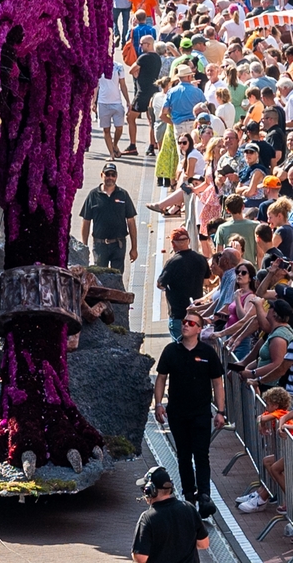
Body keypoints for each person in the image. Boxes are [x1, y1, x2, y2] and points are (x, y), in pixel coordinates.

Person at [154, 310, 225, 517]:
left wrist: (220, 411)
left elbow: (217, 382)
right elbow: (161, 378)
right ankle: (188, 494)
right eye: (185, 322)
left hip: (201, 412)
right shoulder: (171, 351)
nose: (185, 325)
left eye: (191, 323)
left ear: (199, 329)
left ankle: (204, 495)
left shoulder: (207, 352)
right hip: (177, 412)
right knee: (184, 455)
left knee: (201, 454)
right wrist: (158, 404)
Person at [131, 466, 209, 563]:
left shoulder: (147, 518)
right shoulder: (189, 509)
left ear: (150, 490)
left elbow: (140, 557)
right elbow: (204, 544)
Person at [79, 162, 137, 272]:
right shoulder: (93, 195)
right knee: (100, 277)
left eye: (113, 175)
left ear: (116, 176)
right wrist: (84, 247)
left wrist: (134, 248)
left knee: (117, 277)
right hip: (100, 245)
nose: (110, 177)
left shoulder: (123, 195)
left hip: (118, 245)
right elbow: (86, 221)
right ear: (102, 175)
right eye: (107, 174)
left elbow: (131, 221)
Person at [157, 229, 210, 340]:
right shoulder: (201, 259)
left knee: (179, 346)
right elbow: (207, 282)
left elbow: (160, 284)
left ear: (173, 244)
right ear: (189, 241)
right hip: (196, 312)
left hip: (178, 313)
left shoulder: (173, 262)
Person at [125, 35, 161, 156]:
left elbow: (131, 70)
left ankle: (132, 145)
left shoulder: (144, 57)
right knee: (151, 120)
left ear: (148, 44)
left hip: (143, 92)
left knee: (130, 117)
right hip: (154, 91)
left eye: (142, 44)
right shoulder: (157, 58)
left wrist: (137, 74)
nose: (140, 46)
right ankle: (151, 146)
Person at [94, 65, 130, 159]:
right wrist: (93, 102)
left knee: (119, 128)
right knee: (106, 130)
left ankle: (115, 144)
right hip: (103, 103)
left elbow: (123, 85)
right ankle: (111, 154)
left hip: (116, 102)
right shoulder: (98, 66)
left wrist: (128, 101)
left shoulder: (119, 67)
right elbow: (96, 86)